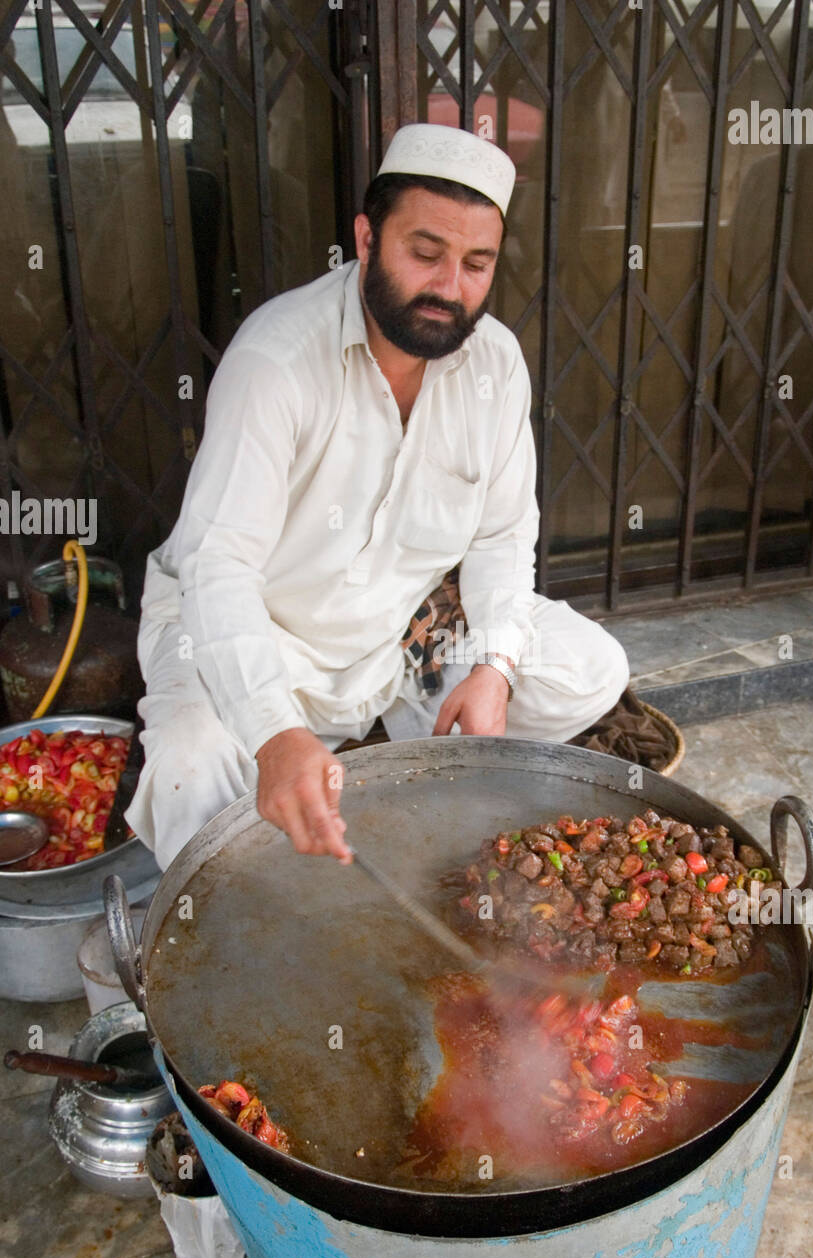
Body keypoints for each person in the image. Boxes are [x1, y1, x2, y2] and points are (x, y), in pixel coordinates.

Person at [125, 124, 630, 871]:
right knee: (193, 771)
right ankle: (310, 767)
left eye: (476, 264)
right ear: (366, 238)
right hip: (263, 628)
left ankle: (390, 737)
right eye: (425, 254)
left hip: (403, 626)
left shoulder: (495, 363)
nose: (449, 288)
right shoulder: (276, 360)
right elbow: (218, 567)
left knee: (590, 667)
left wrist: (492, 666)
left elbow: (501, 538)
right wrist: (271, 733)